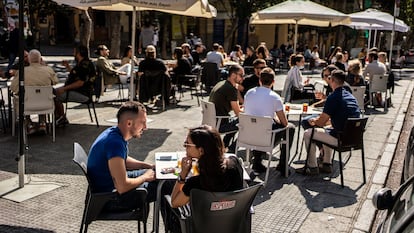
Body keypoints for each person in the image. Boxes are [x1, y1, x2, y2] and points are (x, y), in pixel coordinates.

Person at [87, 101, 172, 218]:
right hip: (109, 199)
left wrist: (148, 166)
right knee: (167, 184)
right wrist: (145, 177)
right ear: (129, 123)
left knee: (164, 177)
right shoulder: (114, 143)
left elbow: (122, 161)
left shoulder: (114, 133)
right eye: (142, 122)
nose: (146, 127)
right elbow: (122, 187)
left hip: (108, 189)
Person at [296, 70, 360, 175]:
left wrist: (313, 121)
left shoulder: (333, 97)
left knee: (308, 133)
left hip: (341, 138)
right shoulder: (350, 97)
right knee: (328, 129)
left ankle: (311, 167)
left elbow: (320, 122)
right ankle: (326, 164)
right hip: (354, 138)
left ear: (332, 80)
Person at [171, 125, 244, 208]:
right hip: (233, 217)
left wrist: (182, 175)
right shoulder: (235, 162)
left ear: (201, 150)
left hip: (202, 220)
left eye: (187, 145)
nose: (185, 147)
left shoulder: (195, 183)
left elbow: (174, 203)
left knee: (166, 186)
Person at [244, 68, 295, 174]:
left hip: (247, 135)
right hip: (265, 138)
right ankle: (283, 164)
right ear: (273, 82)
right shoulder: (275, 97)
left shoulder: (249, 93)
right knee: (290, 127)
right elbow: (284, 123)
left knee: (259, 126)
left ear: (259, 80)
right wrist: (276, 119)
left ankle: (257, 161)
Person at [10, 49, 58, 134]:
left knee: (22, 97)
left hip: (28, 106)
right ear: (40, 59)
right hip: (45, 105)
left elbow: (13, 88)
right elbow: (55, 81)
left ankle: (29, 124)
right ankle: (42, 122)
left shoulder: (22, 72)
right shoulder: (48, 70)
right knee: (42, 94)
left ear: (29, 59)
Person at [54, 45, 96, 127]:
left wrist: (64, 88)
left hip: (83, 93)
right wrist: (67, 66)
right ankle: (59, 117)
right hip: (77, 90)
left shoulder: (85, 65)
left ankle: (61, 117)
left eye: (74, 52)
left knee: (55, 96)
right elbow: (75, 74)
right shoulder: (81, 63)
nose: (73, 54)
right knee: (54, 92)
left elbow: (80, 82)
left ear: (78, 53)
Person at [209, 64, 244, 151]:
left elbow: (224, 104)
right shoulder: (230, 89)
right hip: (221, 123)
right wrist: (246, 109)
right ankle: (231, 149)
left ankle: (224, 145)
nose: (242, 79)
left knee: (237, 122)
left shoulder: (221, 84)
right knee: (246, 124)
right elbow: (238, 113)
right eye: (241, 75)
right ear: (233, 75)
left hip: (213, 121)